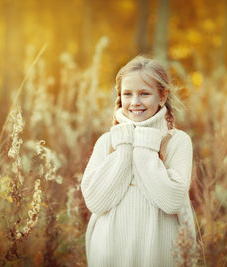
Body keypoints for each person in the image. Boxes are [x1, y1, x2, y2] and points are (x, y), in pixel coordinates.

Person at [81, 55, 196, 267]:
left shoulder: (177, 142)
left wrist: (144, 144)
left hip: (160, 255)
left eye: (144, 94)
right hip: (109, 253)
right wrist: (124, 147)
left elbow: (171, 201)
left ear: (162, 96)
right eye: (127, 94)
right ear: (120, 96)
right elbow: (95, 202)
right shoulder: (108, 142)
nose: (135, 102)